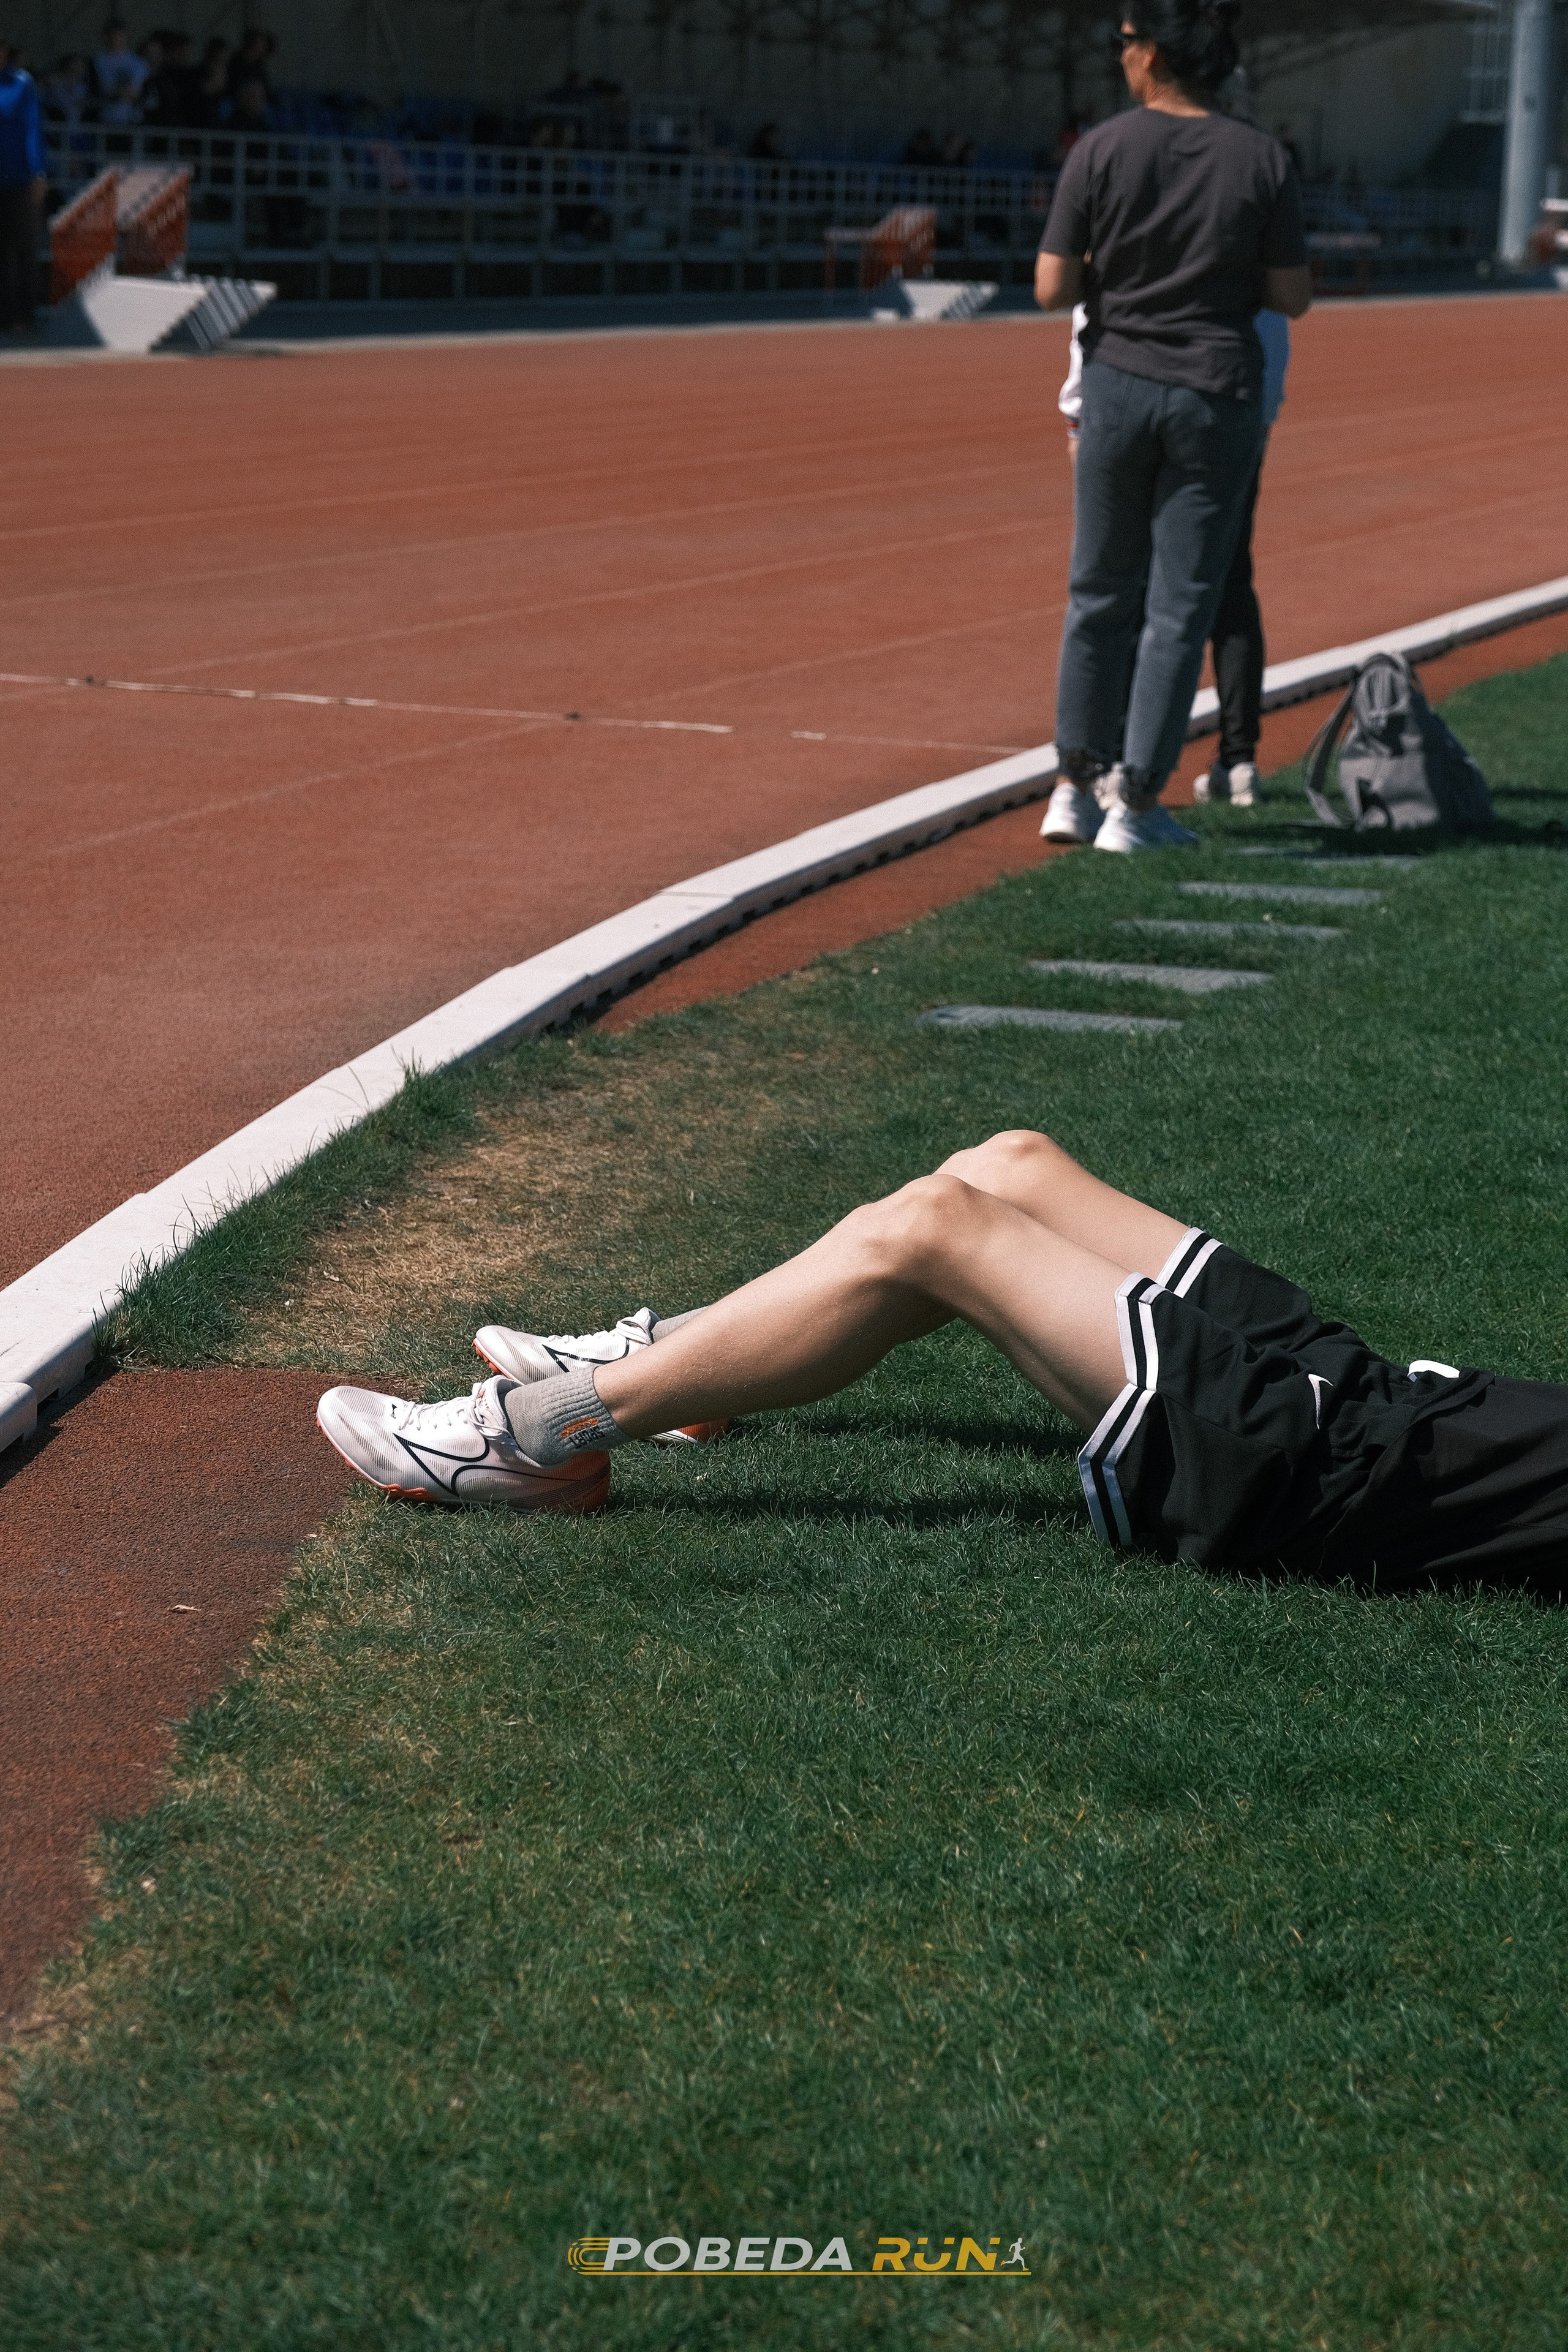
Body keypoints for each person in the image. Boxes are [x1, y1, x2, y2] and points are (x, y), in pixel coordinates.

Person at [316, 1129, 1568, 1589]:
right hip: (1373, 1393)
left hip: (1326, 1468)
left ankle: (543, 1440)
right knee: (1005, 1166)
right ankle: (698, 1363)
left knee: (935, 1232)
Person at [1033, 2, 1310, 853]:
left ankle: (1073, 785)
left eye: (1126, 44)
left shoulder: (1104, 149)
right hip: (1214, 389)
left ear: (1153, 55)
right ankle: (1137, 802)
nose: (1120, 57)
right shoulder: (1262, 157)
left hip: (1117, 384)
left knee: (1098, 594)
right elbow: (1292, 296)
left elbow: (1051, 288)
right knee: (1179, 604)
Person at [1046, 299, 1290, 831]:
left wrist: (1075, 412)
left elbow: (1078, 299)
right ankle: (1227, 761)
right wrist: (1262, 418)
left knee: (1113, 588)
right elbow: (1276, 309)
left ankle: (1089, 774)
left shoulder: (1124, 216)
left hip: (1123, 395)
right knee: (1214, 589)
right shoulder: (1240, 218)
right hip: (1221, 401)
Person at [0, 37, 45, 335]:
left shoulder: (21, 82)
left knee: (24, 249)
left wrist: (38, 173)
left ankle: (24, 316)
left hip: (18, 181)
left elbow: (32, 128)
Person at [92, 20, 149, 124]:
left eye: (119, 35)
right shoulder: (98, 61)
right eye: (112, 35)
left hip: (134, 119)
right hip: (106, 118)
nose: (116, 38)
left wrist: (124, 92)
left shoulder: (138, 62)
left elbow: (138, 90)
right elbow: (105, 88)